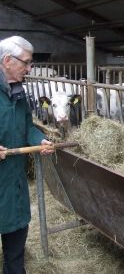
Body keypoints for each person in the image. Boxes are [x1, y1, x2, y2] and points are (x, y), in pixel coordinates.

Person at [0, 36, 54, 274]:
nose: (30, 68)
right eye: (27, 62)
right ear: (7, 61)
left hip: (14, 187)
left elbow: (27, 126)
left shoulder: (19, 94)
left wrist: (39, 139)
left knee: (15, 256)